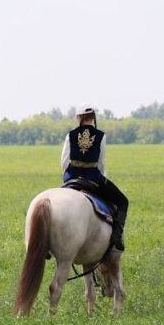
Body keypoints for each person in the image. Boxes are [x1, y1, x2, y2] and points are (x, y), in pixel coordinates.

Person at [60, 105, 128, 251]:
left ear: (79, 117)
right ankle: (116, 237)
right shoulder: (100, 135)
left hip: (72, 178)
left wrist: (69, 176)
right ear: (93, 117)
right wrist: (101, 178)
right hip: (93, 180)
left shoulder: (70, 135)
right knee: (123, 201)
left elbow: (64, 162)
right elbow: (101, 163)